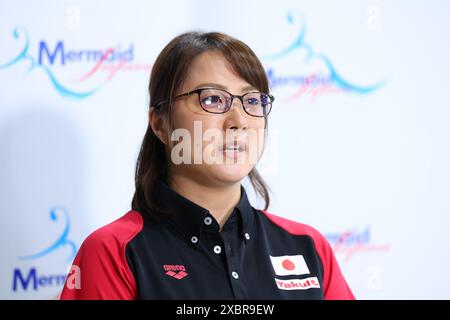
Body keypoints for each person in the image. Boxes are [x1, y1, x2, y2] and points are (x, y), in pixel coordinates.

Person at [60, 31, 354, 300]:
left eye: (252, 101)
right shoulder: (114, 251)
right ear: (160, 123)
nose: (238, 121)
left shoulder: (308, 247)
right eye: (212, 99)